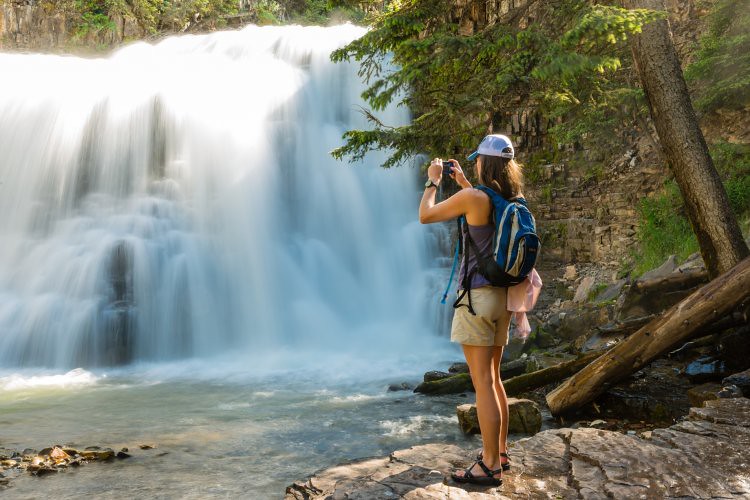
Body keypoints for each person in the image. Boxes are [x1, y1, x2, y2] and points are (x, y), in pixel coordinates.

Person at [419, 134, 524, 487]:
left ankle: (489, 465)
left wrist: (433, 182)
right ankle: (502, 452)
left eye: (477, 160)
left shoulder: (473, 199)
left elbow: (425, 215)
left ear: (483, 162)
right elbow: (485, 211)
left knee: (482, 383)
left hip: (477, 298)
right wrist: (464, 182)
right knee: (494, 378)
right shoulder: (513, 199)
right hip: (503, 299)